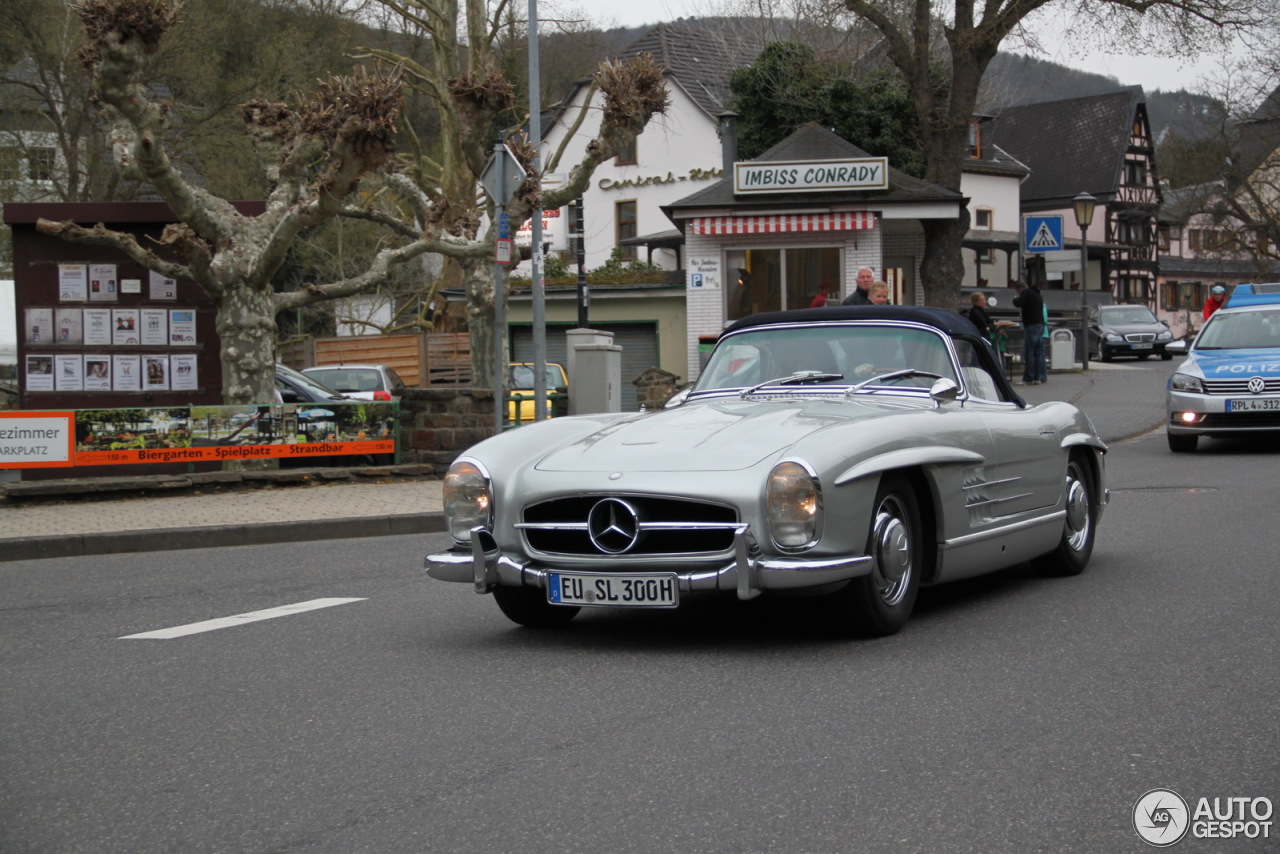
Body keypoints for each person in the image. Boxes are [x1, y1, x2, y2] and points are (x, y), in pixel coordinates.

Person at [1013, 280, 1048, 384]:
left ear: (1020, 289)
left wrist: (1015, 299)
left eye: (1018, 292)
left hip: (1031, 325)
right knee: (1039, 352)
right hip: (1040, 325)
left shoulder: (1026, 292)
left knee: (1030, 352)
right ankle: (1040, 377)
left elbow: (1018, 303)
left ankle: (1029, 377)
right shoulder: (1037, 294)